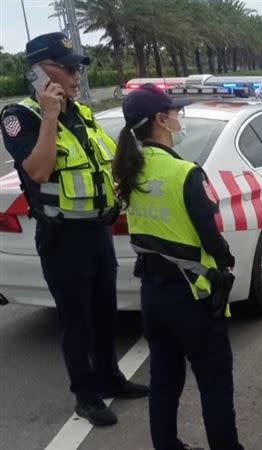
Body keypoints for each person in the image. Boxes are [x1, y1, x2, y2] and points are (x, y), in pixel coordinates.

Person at [0, 32, 148, 426]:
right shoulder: (20, 117)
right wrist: (49, 115)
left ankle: (111, 378)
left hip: (97, 232)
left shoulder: (81, 113)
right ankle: (85, 395)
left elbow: (106, 161)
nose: (75, 74)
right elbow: (39, 169)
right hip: (63, 239)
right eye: (67, 67)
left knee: (104, 312)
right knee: (76, 319)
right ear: (38, 74)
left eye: (78, 67)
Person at [113, 84, 243, 450]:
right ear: (160, 120)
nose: (177, 117)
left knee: (164, 379)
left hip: (153, 296)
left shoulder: (129, 169)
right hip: (194, 297)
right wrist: (226, 262)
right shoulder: (185, 173)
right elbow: (211, 239)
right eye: (174, 111)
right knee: (215, 382)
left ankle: (167, 445)